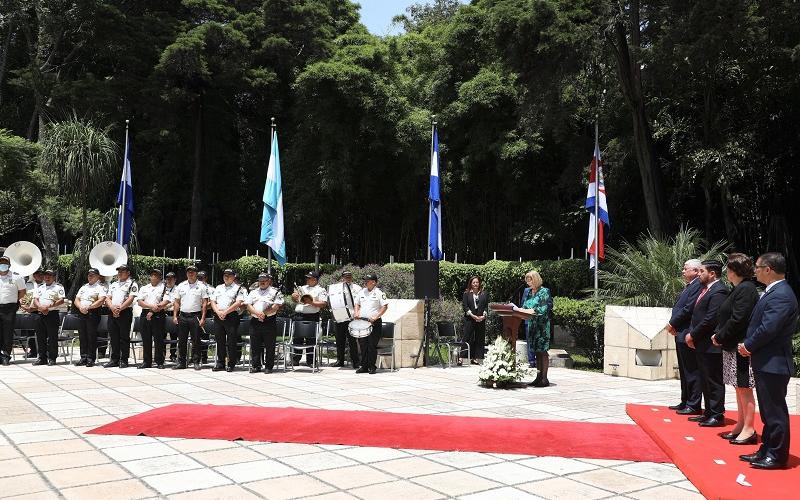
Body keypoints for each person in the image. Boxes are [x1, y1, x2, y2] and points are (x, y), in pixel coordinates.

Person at [738, 252, 798, 470]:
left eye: (757, 267)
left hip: (774, 362)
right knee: (767, 410)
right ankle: (767, 449)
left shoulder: (781, 294)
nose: (754, 271)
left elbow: (768, 328)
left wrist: (748, 345)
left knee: (775, 411)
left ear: (768, 269)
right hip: (766, 361)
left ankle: (777, 454)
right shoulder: (772, 291)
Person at [709, 253, 760, 444]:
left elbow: (739, 319)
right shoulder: (738, 288)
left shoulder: (746, 289)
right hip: (732, 346)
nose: (727, 272)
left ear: (735, 271)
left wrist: (720, 336)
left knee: (744, 387)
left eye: (729, 269)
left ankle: (749, 429)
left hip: (741, 346)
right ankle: (740, 425)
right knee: (738, 387)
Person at [684, 260, 729, 427]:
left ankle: (717, 415)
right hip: (702, 343)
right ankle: (708, 411)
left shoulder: (719, 291)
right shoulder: (706, 290)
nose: (699, 274)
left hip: (711, 344)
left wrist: (692, 335)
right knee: (705, 379)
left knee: (714, 380)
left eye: (702, 271)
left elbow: (710, 318)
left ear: (712, 274)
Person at [666, 259, 704, 415]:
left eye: (685, 268)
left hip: (687, 332)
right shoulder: (690, 285)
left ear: (695, 271)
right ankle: (685, 400)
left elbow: (688, 308)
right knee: (684, 370)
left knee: (691, 370)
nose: (683, 271)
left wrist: (672, 323)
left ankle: (693, 404)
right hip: (680, 332)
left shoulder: (697, 286)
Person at [514, 271, 552, 387]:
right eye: (527, 280)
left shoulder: (544, 291)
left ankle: (544, 378)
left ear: (536, 279)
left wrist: (533, 311)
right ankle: (538, 377)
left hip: (542, 326)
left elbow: (544, 308)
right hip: (532, 325)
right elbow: (525, 306)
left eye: (530, 280)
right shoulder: (529, 292)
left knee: (542, 351)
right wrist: (520, 310)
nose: (528, 283)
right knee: (536, 351)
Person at [172, 265, 209, 370]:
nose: (190, 273)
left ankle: (196, 361)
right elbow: (177, 302)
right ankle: (181, 362)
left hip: (195, 315)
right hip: (183, 315)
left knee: (196, 340)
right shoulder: (181, 285)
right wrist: (175, 315)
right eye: (188, 272)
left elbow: (205, 303)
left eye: (192, 272)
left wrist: (203, 318)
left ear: (196, 273)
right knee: (182, 340)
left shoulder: (201, 286)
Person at [210, 269, 247, 372]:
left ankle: (231, 363)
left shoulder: (238, 288)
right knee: (220, 340)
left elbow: (239, 302)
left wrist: (225, 312)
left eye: (229, 275)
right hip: (218, 315)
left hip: (231, 316)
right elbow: (213, 301)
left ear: (234, 277)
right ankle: (221, 362)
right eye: (225, 275)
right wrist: (218, 312)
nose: (226, 277)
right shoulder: (218, 287)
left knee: (231, 341)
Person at [245, 273, 283, 373]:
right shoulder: (253, 292)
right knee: (255, 344)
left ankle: (268, 366)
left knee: (269, 345)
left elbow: (276, 306)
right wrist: (257, 313)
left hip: (269, 321)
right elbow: (248, 305)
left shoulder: (275, 292)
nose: (262, 282)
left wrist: (264, 314)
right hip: (255, 320)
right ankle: (256, 366)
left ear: (268, 281)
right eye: (260, 280)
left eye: (264, 280)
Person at [104, 264, 138, 368]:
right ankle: (114, 359)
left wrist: (119, 309)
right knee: (113, 337)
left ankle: (124, 360)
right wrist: (112, 308)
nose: (120, 273)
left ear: (128, 273)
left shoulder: (132, 283)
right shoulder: (113, 284)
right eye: (119, 271)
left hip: (125, 312)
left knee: (124, 337)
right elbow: (107, 298)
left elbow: (130, 299)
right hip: (112, 312)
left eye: (122, 271)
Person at [136, 268, 171, 369]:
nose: (154, 277)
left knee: (158, 339)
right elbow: (139, 302)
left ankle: (159, 361)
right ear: (150, 276)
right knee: (146, 339)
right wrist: (151, 307)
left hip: (159, 314)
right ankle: (146, 361)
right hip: (145, 313)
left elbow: (166, 301)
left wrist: (154, 309)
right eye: (152, 275)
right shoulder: (144, 288)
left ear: (160, 277)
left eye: (157, 275)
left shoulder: (164, 288)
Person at [354, 273, 388, 374]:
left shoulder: (379, 293)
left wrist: (376, 317)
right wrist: (356, 312)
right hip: (362, 322)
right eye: (365, 280)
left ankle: (372, 366)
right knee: (363, 344)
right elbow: (357, 303)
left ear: (373, 282)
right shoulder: (362, 292)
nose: (365, 282)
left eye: (367, 281)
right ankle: (363, 366)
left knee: (372, 345)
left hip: (374, 323)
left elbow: (384, 306)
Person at [291, 271, 327, 365]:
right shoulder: (302, 288)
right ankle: (295, 359)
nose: (307, 279)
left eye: (309, 278)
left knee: (311, 339)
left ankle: (311, 361)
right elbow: (295, 300)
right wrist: (294, 297)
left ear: (315, 279)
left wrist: (311, 302)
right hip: (299, 315)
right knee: (297, 338)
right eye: (306, 278)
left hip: (312, 316)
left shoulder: (321, 290)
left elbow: (323, 304)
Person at [73, 268, 106, 367]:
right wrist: (80, 307)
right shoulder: (84, 287)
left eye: (92, 275)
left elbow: (101, 300)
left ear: (97, 276)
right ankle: (83, 357)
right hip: (82, 313)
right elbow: (76, 299)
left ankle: (91, 358)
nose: (90, 277)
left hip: (93, 313)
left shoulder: (100, 287)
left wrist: (89, 307)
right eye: (89, 275)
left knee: (91, 336)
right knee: (82, 336)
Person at [31, 270, 65, 366]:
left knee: (52, 337)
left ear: (54, 277)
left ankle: (52, 358)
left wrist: (48, 307)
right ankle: (42, 358)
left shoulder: (58, 287)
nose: (47, 277)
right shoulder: (40, 287)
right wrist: (41, 307)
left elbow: (61, 300)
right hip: (40, 314)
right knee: (40, 337)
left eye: (49, 276)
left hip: (52, 314)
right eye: (45, 276)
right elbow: (35, 300)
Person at [331, 270, 361, 369]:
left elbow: (360, 302)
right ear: (342, 277)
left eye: (349, 276)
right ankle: (340, 360)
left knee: (352, 341)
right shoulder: (336, 288)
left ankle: (355, 361)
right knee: (340, 340)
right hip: (340, 314)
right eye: (345, 276)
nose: (347, 278)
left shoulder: (357, 288)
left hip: (352, 316)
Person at [0, 255, 26, 365]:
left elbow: (23, 291)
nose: (3, 265)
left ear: (9, 265)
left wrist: (15, 300)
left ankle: (6, 355)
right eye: (1, 262)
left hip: (9, 308)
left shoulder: (16, 277)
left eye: (5, 263)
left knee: (7, 332)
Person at [462, 276, 488, 365]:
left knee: (479, 338)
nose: (475, 284)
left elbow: (486, 306)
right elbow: (465, 307)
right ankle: (463, 357)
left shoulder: (484, 293)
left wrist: (483, 316)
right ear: (471, 284)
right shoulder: (466, 293)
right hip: (470, 319)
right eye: (473, 282)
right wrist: (473, 316)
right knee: (467, 337)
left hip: (481, 319)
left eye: (477, 282)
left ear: (479, 283)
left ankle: (477, 358)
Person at [22, 269, 45, 358]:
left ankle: (44, 351)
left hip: (41, 311)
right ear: (33, 275)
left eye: (41, 274)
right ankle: (33, 351)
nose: (40, 275)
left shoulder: (46, 285)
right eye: (37, 274)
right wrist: (24, 306)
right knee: (30, 331)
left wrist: (36, 307)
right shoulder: (27, 285)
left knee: (43, 332)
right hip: (29, 311)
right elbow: (23, 296)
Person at [163, 272, 178, 362]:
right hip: (163, 313)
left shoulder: (178, 289)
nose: (169, 280)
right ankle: (163, 354)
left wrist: (168, 305)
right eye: (167, 278)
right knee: (162, 335)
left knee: (174, 335)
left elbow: (177, 301)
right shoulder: (162, 288)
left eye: (171, 278)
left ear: (175, 279)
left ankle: (173, 355)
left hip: (173, 313)